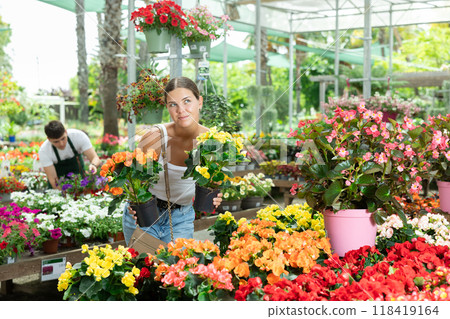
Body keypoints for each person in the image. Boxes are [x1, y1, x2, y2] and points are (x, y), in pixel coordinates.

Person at [123, 77, 222, 244]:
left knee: (177, 269)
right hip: (146, 216)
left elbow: (213, 182)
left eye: (187, 101)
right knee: (142, 268)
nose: (181, 110)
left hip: (181, 218)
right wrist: (134, 202)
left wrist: (216, 197)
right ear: (167, 107)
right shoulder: (155, 138)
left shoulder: (211, 141)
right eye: (173, 104)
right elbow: (135, 181)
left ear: (200, 102)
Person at [38, 120, 102, 189]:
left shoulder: (78, 136)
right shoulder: (44, 150)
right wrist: (66, 194)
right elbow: (54, 181)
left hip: (79, 180)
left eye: (63, 138)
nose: (61, 144)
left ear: (65, 132)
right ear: (49, 139)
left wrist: (93, 165)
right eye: (56, 142)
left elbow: (95, 158)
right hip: (59, 185)